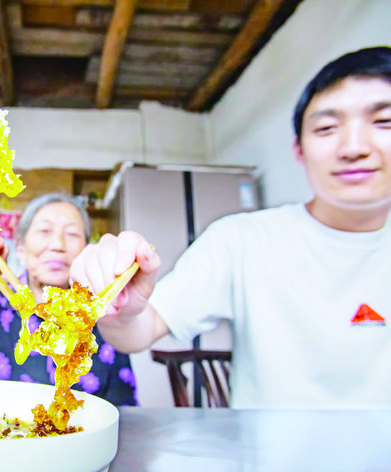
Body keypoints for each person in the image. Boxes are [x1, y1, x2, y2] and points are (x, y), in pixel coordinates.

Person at [69, 46, 391, 409]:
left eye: (383, 122)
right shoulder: (243, 241)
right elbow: (142, 328)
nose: (353, 147)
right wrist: (120, 308)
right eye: (327, 128)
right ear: (299, 149)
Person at [0, 193, 138, 406]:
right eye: (44, 231)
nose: (57, 245)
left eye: (72, 234)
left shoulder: (102, 309)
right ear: (20, 248)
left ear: (86, 250)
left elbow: (121, 407)